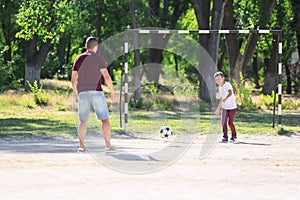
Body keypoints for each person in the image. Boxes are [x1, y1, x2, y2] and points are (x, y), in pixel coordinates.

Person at [71, 36, 115, 152]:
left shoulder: (78, 59)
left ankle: (81, 146)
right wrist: (112, 91)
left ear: (86, 46)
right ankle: (108, 145)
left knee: (83, 121)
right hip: (96, 92)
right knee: (105, 119)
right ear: (96, 46)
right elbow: (106, 76)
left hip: (83, 93)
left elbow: (73, 79)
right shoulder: (98, 58)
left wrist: (76, 94)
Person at [214, 71, 237, 143]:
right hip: (224, 107)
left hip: (232, 107)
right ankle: (225, 137)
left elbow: (230, 93)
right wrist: (218, 109)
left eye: (219, 79)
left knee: (230, 123)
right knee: (223, 122)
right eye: (216, 79)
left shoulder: (227, 85)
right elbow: (221, 98)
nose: (218, 81)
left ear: (223, 78)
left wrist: (225, 99)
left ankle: (234, 136)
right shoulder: (220, 88)